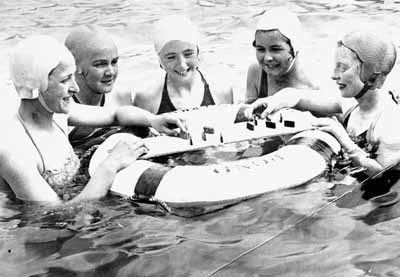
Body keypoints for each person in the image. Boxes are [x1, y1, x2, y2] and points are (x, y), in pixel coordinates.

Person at [0, 35, 184, 203]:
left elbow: (115, 115)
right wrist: (111, 164)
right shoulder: (14, 152)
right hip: (51, 233)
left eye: (73, 77)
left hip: (81, 197)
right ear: (36, 85)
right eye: (65, 81)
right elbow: (57, 214)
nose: (75, 89)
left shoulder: (59, 114)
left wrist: (154, 120)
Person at [248, 29, 400, 177]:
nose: (334, 75)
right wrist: (272, 101)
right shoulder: (349, 104)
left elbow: (381, 173)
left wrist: (343, 139)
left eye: (342, 68)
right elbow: (299, 97)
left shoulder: (389, 124)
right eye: (335, 66)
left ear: (370, 76)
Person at [64, 26, 148, 154]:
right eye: (100, 64)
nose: (110, 72)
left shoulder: (121, 96)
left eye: (114, 62)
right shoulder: (60, 107)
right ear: (75, 66)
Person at [132, 15, 234, 114]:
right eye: (171, 57)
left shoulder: (221, 91)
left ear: (198, 53)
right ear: (160, 61)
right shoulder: (147, 98)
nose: (182, 65)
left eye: (188, 54)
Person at [245, 7, 318, 104]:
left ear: (293, 49)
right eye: (260, 49)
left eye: (275, 49)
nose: (267, 58)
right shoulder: (256, 72)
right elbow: (248, 111)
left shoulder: (313, 83)